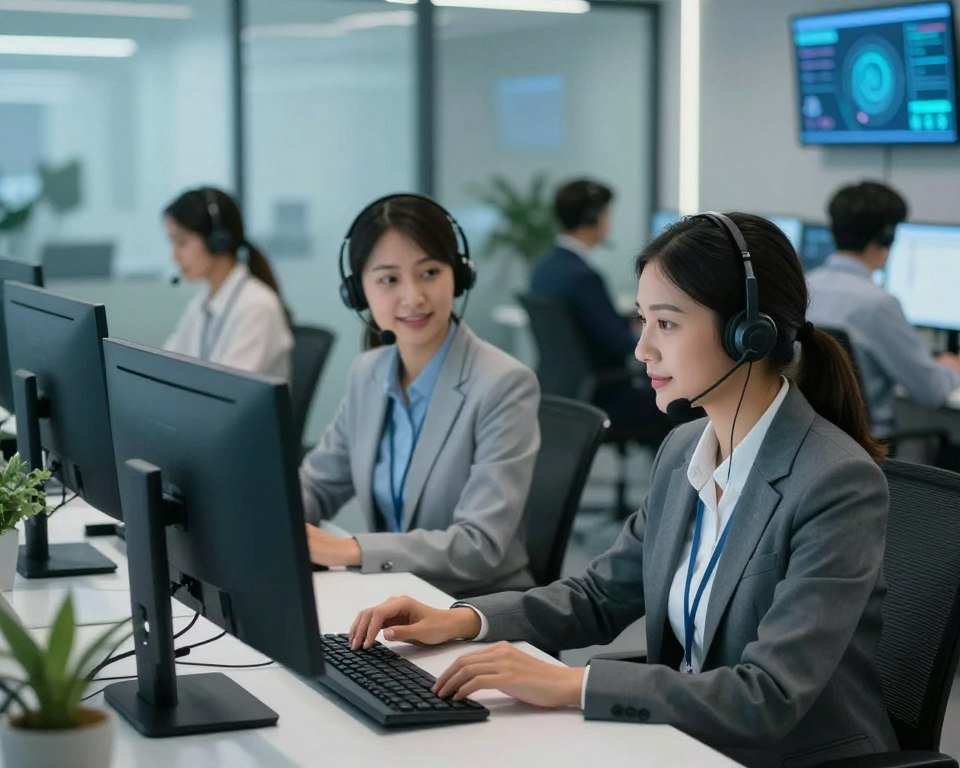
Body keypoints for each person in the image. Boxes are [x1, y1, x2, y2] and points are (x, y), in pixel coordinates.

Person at [348, 213, 898, 767]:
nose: (642, 350)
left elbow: (768, 697)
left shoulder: (835, 483)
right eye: (643, 321)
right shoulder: (686, 449)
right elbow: (599, 596)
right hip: (681, 742)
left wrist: (572, 684)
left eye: (667, 324)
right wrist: (463, 619)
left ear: (748, 333)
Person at [299, 194, 540, 598]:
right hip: (391, 600)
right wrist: (273, 521)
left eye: (429, 272)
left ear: (458, 276)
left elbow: (478, 545)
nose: (413, 297)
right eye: (389, 279)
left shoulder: (503, 384)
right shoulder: (368, 374)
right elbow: (317, 484)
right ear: (359, 293)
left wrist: (350, 549)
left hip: (476, 613)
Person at [807, 180, 960, 437]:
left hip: (816, 444)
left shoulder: (802, 286)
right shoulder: (877, 304)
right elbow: (930, 391)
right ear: (887, 237)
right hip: (869, 449)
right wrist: (950, 369)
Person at [529, 179, 664, 429]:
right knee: (683, 402)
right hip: (603, 393)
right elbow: (618, 343)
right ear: (593, 218)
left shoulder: (544, 268)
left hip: (564, 391)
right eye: (607, 214)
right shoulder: (584, 277)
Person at [163, 186, 293, 381]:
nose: (174, 257)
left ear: (217, 241)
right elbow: (164, 367)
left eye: (181, 242)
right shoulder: (201, 304)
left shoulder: (257, 307)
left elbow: (228, 393)